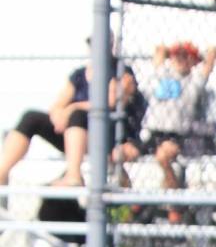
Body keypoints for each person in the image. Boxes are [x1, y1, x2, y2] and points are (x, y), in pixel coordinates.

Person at [0, 42, 144, 192]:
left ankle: (73, 176)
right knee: (31, 118)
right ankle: (2, 173)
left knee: (77, 115)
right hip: (73, 133)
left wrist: (73, 107)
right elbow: (58, 105)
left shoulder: (120, 70)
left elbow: (111, 101)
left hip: (104, 135)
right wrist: (58, 115)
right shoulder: (79, 75)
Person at [123, 41, 216, 221]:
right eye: (178, 55)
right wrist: (169, 52)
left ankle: (174, 204)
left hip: (176, 134)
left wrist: (202, 56)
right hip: (152, 132)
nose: (180, 60)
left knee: (163, 156)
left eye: (186, 56)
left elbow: (211, 56)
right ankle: (131, 199)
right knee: (118, 155)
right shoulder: (163, 74)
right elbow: (159, 50)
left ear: (193, 61)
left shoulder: (194, 80)